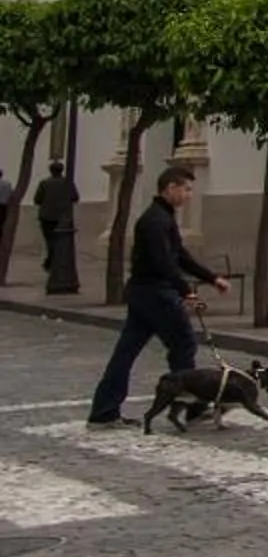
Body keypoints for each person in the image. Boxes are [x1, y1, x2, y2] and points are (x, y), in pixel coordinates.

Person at [86, 163, 226, 427]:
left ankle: (103, 411)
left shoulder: (162, 217)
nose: (189, 195)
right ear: (170, 188)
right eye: (186, 189)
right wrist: (186, 291)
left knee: (126, 351)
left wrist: (211, 278)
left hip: (144, 293)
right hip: (155, 293)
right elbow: (164, 262)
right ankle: (192, 406)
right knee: (184, 343)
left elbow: (180, 256)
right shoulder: (155, 221)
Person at [35, 161, 81, 294]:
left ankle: (51, 262)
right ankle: (52, 262)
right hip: (63, 217)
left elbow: (37, 199)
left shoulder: (44, 183)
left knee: (50, 241)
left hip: (47, 217)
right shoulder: (68, 182)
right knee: (60, 242)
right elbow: (75, 197)